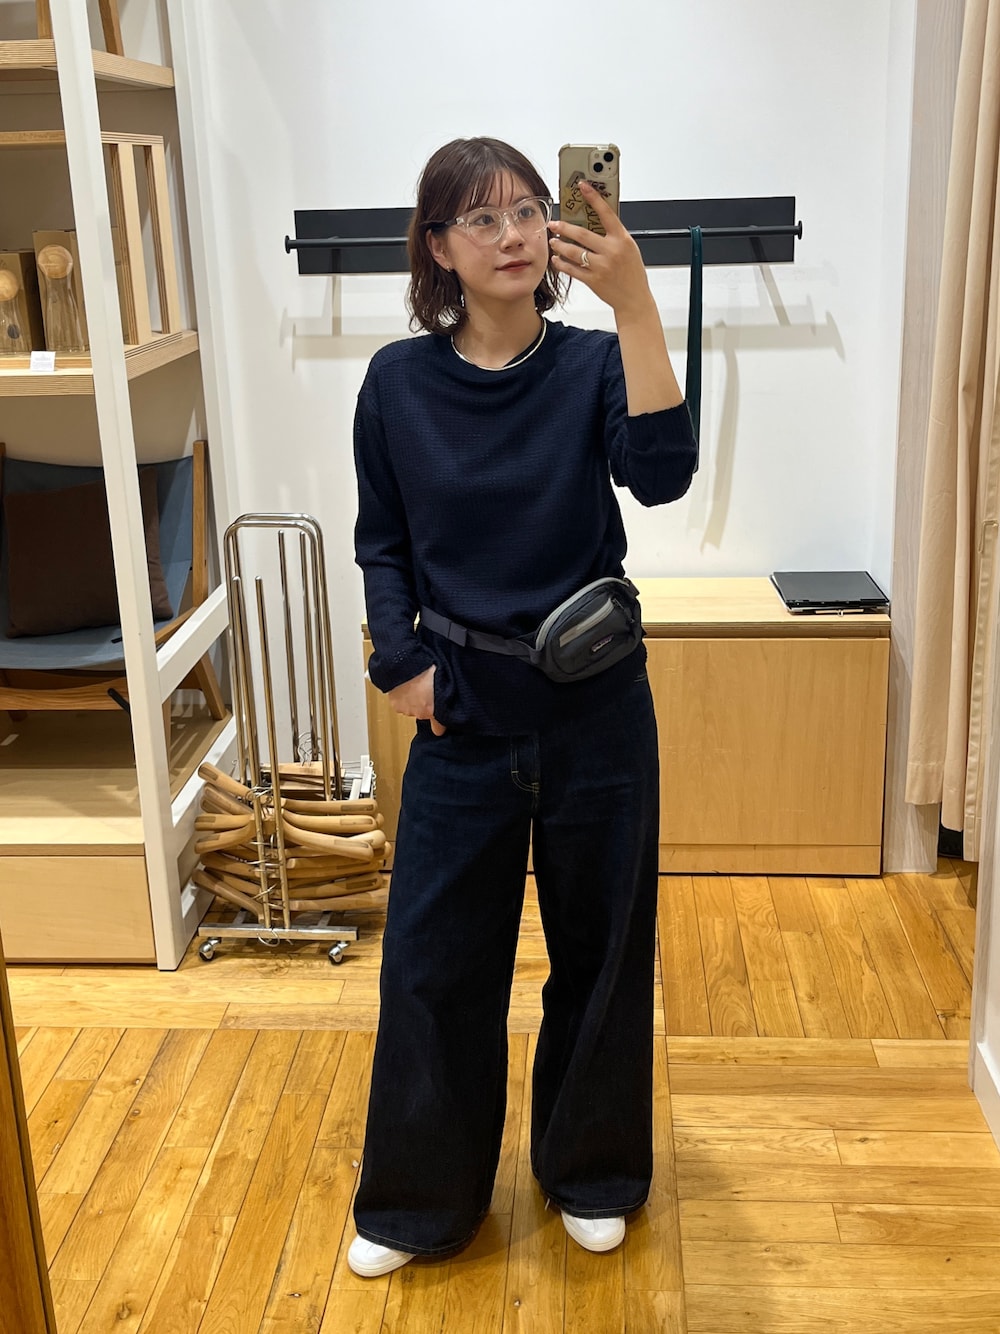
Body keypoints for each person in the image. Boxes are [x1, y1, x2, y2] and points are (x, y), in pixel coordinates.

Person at [348, 137, 697, 1278]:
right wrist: (400, 668)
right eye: (482, 217)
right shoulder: (398, 383)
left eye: (529, 210)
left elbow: (663, 473)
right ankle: (416, 1200)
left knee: (603, 952)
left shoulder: (593, 363)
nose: (514, 235)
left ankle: (591, 1170)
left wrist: (636, 304)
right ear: (438, 248)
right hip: (460, 717)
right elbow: (383, 543)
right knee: (434, 964)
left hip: (597, 711)